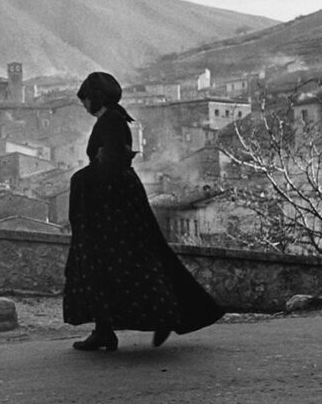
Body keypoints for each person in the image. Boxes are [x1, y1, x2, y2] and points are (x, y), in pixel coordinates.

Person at [62, 71, 224, 351]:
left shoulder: (111, 121)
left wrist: (82, 178)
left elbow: (110, 163)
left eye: (85, 99)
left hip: (112, 205)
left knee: (122, 261)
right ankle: (107, 329)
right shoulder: (115, 118)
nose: (84, 105)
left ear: (94, 98)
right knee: (116, 261)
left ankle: (157, 316)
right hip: (116, 201)